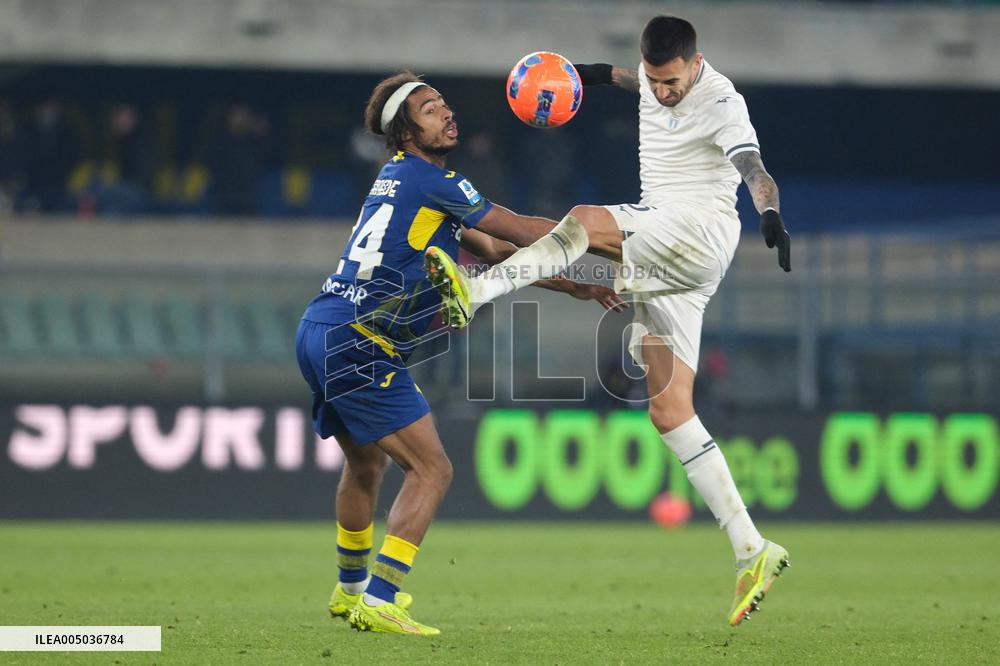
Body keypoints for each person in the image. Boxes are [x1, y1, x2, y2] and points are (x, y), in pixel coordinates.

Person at [425, 15, 791, 626]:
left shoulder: (723, 100)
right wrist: (583, 76)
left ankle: (476, 289)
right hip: (673, 250)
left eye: (673, 82)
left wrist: (771, 212)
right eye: (656, 80)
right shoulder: (649, 79)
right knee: (669, 409)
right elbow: (629, 79)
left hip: (698, 232)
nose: (664, 91)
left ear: (695, 64)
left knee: (585, 219)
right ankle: (753, 549)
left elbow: (753, 167)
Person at [295, 71, 625, 636]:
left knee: (365, 464)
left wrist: (576, 285)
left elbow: (497, 252)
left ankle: (348, 592)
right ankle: (380, 597)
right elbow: (520, 228)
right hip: (360, 340)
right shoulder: (432, 180)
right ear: (405, 132)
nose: (447, 113)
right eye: (430, 109)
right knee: (433, 469)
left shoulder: (400, 181)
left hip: (320, 327)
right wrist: (601, 233)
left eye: (445, 104)